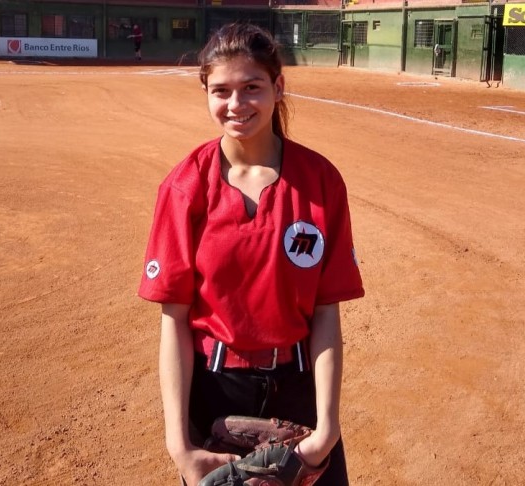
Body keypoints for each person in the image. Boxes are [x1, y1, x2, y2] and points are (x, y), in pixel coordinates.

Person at [137, 23, 364, 485]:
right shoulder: (185, 187)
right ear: (206, 92)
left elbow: (325, 315)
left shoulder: (320, 182)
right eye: (221, 91)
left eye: (252, 88)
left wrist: (326, 429)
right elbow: (174, 320)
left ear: (278, 88)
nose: (236, 105)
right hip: (217, 391)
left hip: (299, 389)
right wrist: (180, 446)